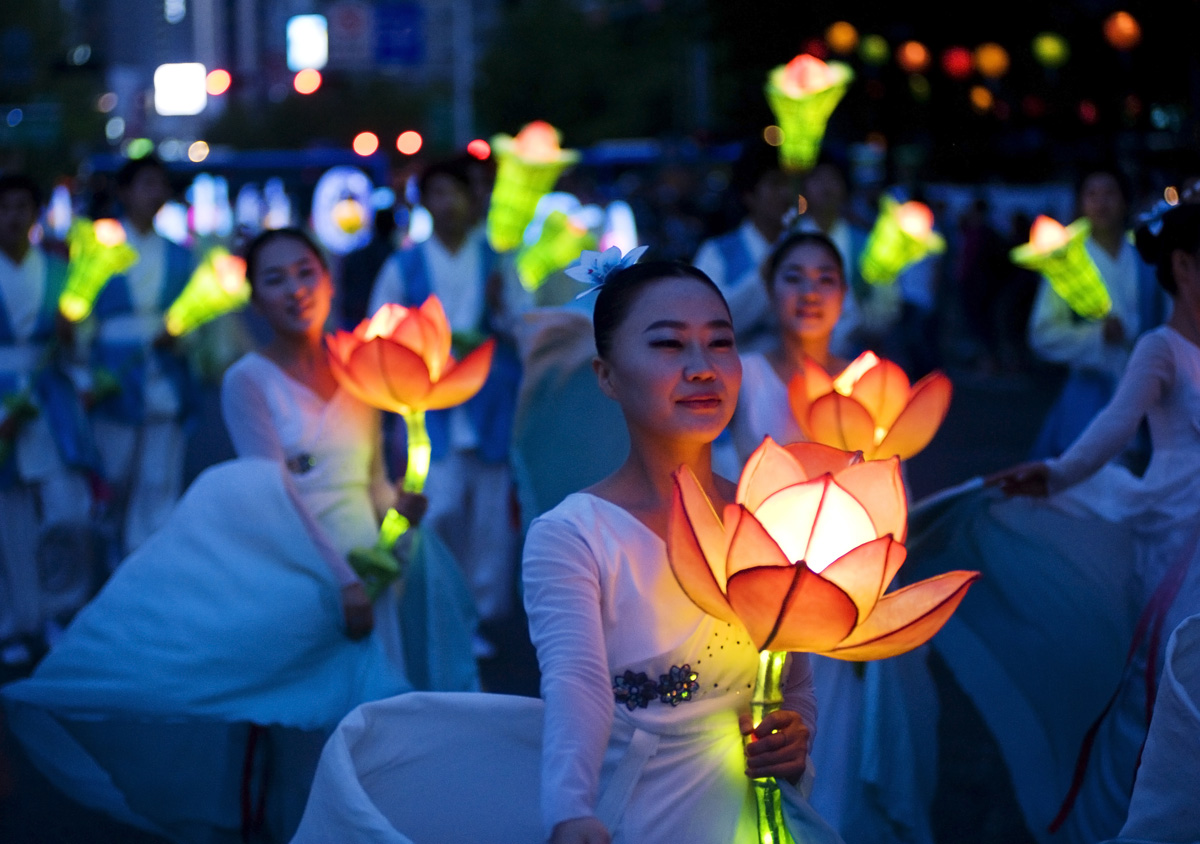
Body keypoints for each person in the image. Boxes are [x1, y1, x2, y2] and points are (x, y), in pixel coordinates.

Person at [1, 227, 474, 842]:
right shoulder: (247, 379)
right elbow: (273, 492)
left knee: (375, 731)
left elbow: (375, 481)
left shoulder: (360, 362)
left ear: (329, 280)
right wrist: (341, 581)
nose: (294, 290)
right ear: (254, 299)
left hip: (372, 564)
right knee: (309, 736)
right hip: (302, 570)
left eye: (305, 272)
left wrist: (399, 520)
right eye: (274, 279)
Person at [907, 201, 1200, 844]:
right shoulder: (1162, 347)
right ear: (1182, 266)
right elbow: (1115, 426)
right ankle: (1132, 815)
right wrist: (1062, 473)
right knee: (1162, 679)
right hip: (1175, 529)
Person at [527, 259, 823, 844]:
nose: (702, 369)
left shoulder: (776, 517)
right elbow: (575, 682)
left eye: (720, 343)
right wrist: (569, 809)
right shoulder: (574, 535)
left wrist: (794, 735)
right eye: (669, 344)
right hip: (629, 818)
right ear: (607, 376)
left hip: (753, 820)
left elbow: (796, 685)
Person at [729, 231, 939, 844]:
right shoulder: (744, 376)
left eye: (825, 278)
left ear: (845, 294)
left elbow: (890, 485)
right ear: (769, 290)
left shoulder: (867, 384)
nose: (809, 292)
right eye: (794, 277)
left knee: (838, 743)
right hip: (764, 589)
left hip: (844, 592)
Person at [369, 158, 530, 654]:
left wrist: (501, 310)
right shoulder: (405, 263)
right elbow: (381, 329)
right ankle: (438, 608)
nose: (447, 204)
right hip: (430, 409)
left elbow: (525, 325)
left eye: (455, 192)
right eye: (436, 194)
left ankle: (476, 616)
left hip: (489, 405)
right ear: (424, 203)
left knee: (488, 524)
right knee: (437, 514)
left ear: (472, 199)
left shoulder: (497, 260)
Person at [0, 174, 96, 665]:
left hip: (50, 400)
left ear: (36, 215)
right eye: (5, 207)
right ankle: (18, 622)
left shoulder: (60, 271)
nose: (13, 217)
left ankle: (62, 607)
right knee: (10, 522)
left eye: (22, 207)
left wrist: (71, 335)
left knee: (68, 512)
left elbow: (77, 346)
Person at [84, 154, 197, 556]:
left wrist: (180, 335)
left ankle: (145, 566)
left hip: (165, 376)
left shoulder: (181, 254)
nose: (156, 193)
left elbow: (194, 314)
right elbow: (81, 318)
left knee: (158, 482)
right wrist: (85, 379)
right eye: (147, 184)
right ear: (125, 193)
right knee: (114, 477)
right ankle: (113, 554)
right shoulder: (100, 250)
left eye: (160, 185)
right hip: (114, 380)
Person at [1027, 166, 1166, 459]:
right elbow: (1043, 334)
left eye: (1109, 194)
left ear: (1125, 201)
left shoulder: (1146, 258)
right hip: (1089, 396)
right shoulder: (1066, 260)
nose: (1101, 203)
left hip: (1145, 395)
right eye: (1092, 194)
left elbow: (1166, 320)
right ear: (1081, 203)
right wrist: (1096, 336)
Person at [693, 142, 796, 352]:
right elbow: (707, 322)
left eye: (788, 184)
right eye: (775, 184)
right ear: (749, 195)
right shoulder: (715, 253)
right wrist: (764, 274)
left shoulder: (802, 247)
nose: (785, 194)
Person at [792, 159, 899, 359]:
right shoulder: (787, 241)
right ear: (805, 186)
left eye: (833, 179)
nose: (826, 187)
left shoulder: (865, 243)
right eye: (818, 179)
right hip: (795, 352)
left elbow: (886, 300)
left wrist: (860, 324)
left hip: (853, 352)